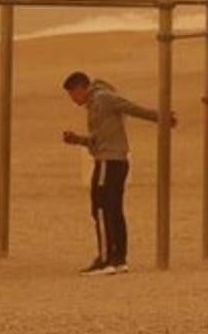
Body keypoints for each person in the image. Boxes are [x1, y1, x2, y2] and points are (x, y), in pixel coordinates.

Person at [60, 71, 175, 276]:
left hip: (109, 161)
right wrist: (77, 139)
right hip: (111, 160)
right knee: (113, 210)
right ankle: (118, 258)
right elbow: (98, 140)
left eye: (72, 94)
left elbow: (131, 107)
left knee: (102, 209)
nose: (72, 99)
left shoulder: (103, 98)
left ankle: (106, 260)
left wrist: (162, 117)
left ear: (80, 88)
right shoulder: (95, 103)